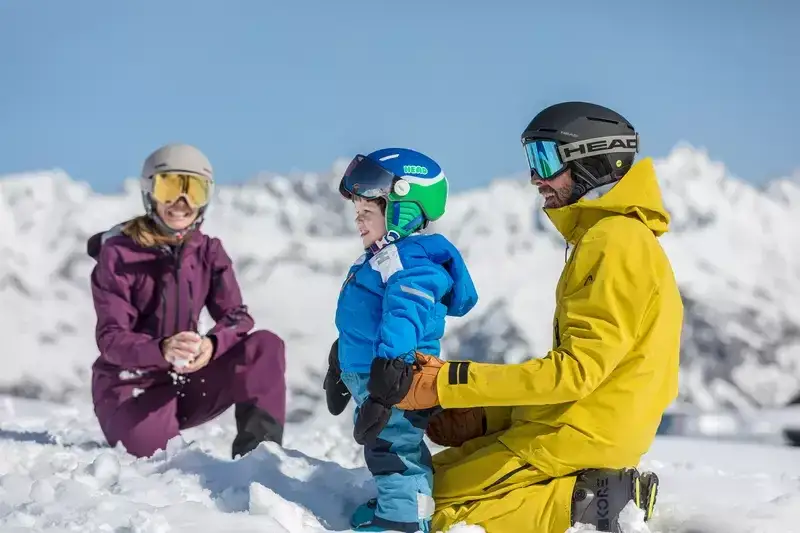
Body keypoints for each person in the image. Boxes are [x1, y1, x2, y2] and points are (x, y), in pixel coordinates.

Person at [392, 102, 683, 532]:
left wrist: (449, 383)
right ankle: (588, 493)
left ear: (594, 160)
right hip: (575, 424)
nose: (534, 178)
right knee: (413, 486)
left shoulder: (615, 242)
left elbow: (576, 374)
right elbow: (590, 381)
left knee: (421, 511)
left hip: (580, 437)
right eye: (532, 160)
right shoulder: (611, 237)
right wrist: (488, 414)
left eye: (545, 159)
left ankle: (590, 503)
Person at [86, 143, 287, 460]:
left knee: (264, 346)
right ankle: (149, 430)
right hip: (130, 388)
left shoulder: (208, 251)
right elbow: (111, 338)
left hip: (186, 380)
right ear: (149, 191)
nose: (182, 202)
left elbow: (236, 317)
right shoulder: (118, 254)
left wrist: (212, 345)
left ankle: (258, 459)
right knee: (157, 459)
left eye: (193, 190)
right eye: (170, 188)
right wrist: (162, 349)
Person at [323, 148, 479, 532]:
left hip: (398, 378)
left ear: (402, 210)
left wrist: (387, 379)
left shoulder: (411, 265)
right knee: (383, 447)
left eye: (366, 213)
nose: (358, 222)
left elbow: (402, 318)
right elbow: (362, 323)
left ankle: (404, 519)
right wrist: (338, 364)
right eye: (357, 213)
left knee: (395, 449)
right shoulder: (384, 256)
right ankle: (401, 503)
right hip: (376, 374)